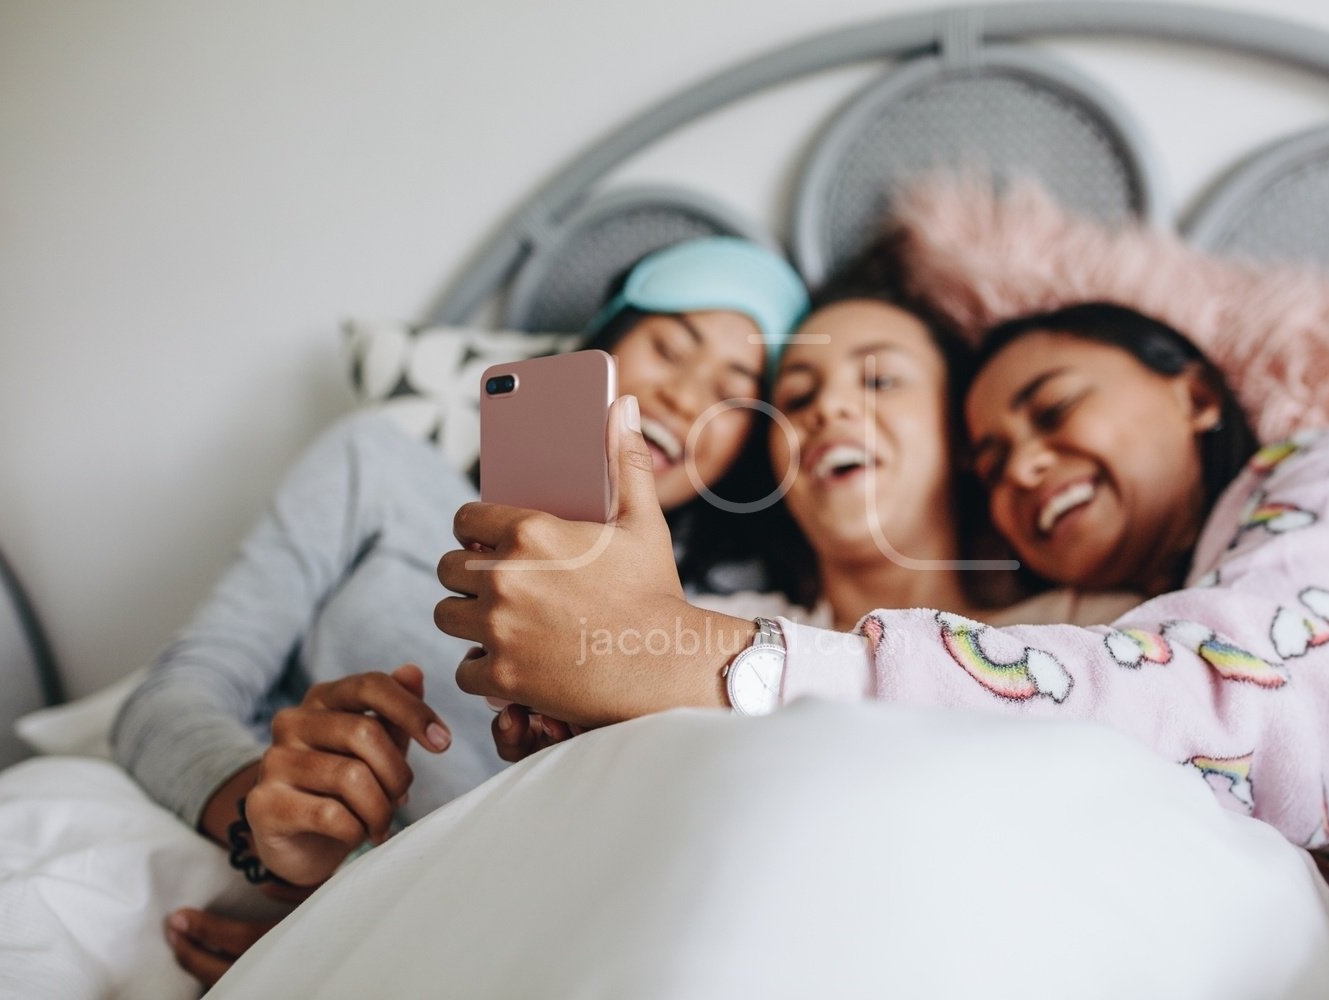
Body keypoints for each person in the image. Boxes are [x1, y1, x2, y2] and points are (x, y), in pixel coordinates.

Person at [438, 301, 1329, 939]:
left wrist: (695, 657)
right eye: (991, 455)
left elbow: (1252, 693)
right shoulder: (1182, 605)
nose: (1023, 468)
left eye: (1052, 406)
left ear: (1195, 391)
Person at [111, 235, 809, 984]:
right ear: (602, 345)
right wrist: (271, 834)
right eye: (670, 345)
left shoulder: (719, 637)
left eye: (733, 388)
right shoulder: (376, 468)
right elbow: (171, 695)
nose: (685, 396)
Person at [491, 251, 1139, 761]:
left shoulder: (1103, 637)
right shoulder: (689, 625)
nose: (827, 407)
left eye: (881, 379)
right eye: (796, 398)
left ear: (962, 433)